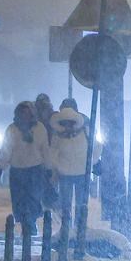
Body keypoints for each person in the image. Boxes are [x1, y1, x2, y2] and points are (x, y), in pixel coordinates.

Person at [0, 101, 50, 237]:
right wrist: (0, 167)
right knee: (20, 199)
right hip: (18, 170)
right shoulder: (12, 129)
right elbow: (6, 150)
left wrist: (48, 167)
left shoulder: (39, 129)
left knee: (33, 198)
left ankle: (30, 222)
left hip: (35, 170)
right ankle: (26, 222)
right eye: (23, 113)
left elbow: (45, 149)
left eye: (28, 113)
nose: (25, 116)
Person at [48, 99, 91, 239]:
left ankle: (78, 228)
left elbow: (95, 148)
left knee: (79, 204)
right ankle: (69, 229)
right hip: (68, 174)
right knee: (67, 204)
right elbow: (53, 153)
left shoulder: (85, 129)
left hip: (77, 174)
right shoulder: (58, 134)